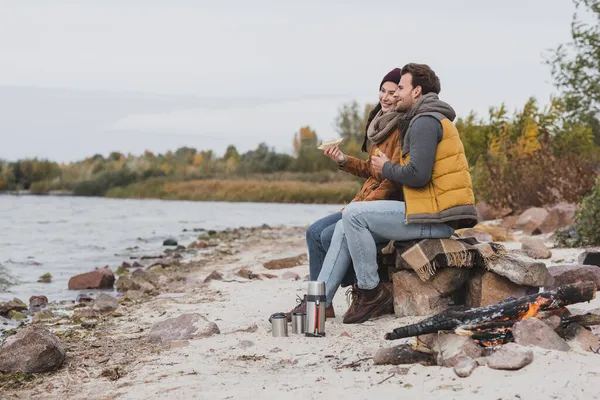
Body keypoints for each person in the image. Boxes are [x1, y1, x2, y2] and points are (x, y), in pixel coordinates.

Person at [319, 63, 479, 324]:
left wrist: (387, 167)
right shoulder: (425, 118)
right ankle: (319, 300)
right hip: (429, 211)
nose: (395, 95)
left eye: (401, 88)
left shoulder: (424, 121)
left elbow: (418, 175)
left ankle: (370, 292)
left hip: (435, 218)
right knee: (347, 221)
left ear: (416, 91)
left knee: (354, 216)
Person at [279, 68, 406, 321]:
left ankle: (331, 295)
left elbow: (392, 181)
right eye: (383, 90)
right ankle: (320, 303)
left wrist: (358, 208)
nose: (386, 97)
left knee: (327, 236)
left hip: (380, 206)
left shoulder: (400, 128)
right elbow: (373, 171)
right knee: (313, 232)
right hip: (364, 202)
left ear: (402, 95)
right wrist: (343, 159)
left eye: (393, 93)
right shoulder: (381, 126)